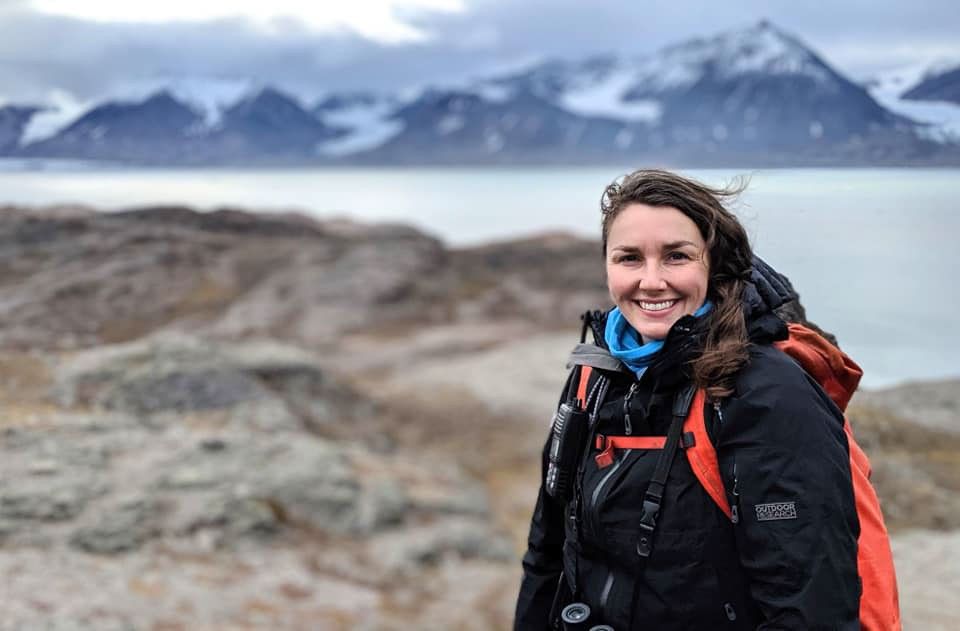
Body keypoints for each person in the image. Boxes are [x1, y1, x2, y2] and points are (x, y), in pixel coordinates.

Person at [514, 169, 866, 630]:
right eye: (629, 258)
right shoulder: (594, 375)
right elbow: (548, 548)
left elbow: (811, 612)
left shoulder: (766, 396)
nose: (652, 281)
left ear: (712, 263)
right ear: (607, 266)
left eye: (676, 256)